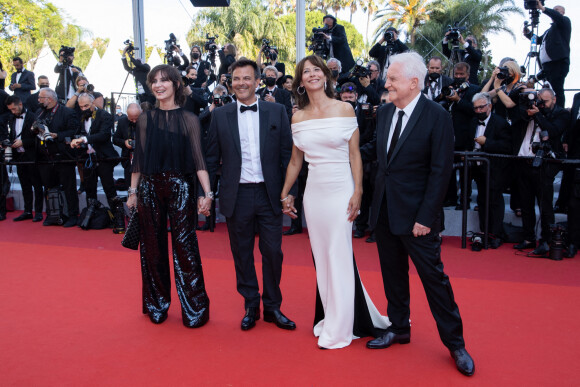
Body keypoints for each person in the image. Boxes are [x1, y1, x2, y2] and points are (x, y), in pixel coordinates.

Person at [361, 52, 474, 376]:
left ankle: (455, 343)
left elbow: (440, 172)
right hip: (384, 211)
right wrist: (335, 146)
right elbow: (373, 151)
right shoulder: (383, 113)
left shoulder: (437, 116)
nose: (386, 83)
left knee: (434, 281)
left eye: (392, 78)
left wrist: (425, 217)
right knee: (392, 275)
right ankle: (399, 327)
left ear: (413, 82)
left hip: (418, 219)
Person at [280, 55, 389, 349]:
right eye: (307, 72)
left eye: (317, 70)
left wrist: (358, 192)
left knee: (339, 254)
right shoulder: (297, 117)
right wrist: (285, 192)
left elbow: (355, 155)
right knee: (322, 257)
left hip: (341, 189)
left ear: (326, 76)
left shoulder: (345, 108)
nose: (313, 75)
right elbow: (294, 161)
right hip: (314, 194)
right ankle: (333, 316)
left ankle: (340, 329)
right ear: (300, 81)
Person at [205, 59, 296, 332]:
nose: (241, 83)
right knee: (242, 253)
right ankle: (250, 304)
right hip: (238, 194)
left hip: (270, 194)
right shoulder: (219, 116)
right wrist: (207, 193)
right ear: (230, 82)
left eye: (247, 78)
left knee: (273, 252)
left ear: (258, 81)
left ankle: (272, 306)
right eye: (236, 78)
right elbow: (211, 158)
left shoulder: (277, 111)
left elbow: (287, 156)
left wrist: (288, 193)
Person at [126, 64, 212, 328]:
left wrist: (207, 193)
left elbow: (199, 160)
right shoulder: (144, 119)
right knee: (152, 247)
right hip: (149, 188)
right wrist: (132, 192)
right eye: (154, 81)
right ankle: (157, 304)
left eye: (164, 80)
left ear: (176, 84)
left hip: (181, 187)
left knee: (185, 247)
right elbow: (138, 160)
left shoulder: (189, 119)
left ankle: (194, 308)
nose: (158, 85)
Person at [512, 88, 570, 256]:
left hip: (545, 164)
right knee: (526, 204)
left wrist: (538, 115)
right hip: (523, 161)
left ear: (554, 99)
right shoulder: (529, 111)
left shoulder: (561, 114)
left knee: (545, 206)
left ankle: (546, 240)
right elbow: (516, 119)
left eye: (545, 102)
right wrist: (528, 109)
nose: (542, 105)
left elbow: (553, 131)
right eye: (540, 101)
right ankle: (529, 237)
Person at [469, 92, 512, 247]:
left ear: (490, 106)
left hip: (495, 170)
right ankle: (483, 232)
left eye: (481, 107)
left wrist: (487, 142)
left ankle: (495, 234)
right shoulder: (473, 121)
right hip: (477, 168)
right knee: (481, 200)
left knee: (494, 201)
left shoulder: (500, 123)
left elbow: (507, 147)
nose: (479, 111)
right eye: (476, 108)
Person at [35, 88, 80, 227]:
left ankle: (72, 215)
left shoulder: (67, 112)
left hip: (63, 156)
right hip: (45, 157)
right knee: (49, 187)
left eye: (41, 97)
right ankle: (52, 214)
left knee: (69, 188)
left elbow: (74, 131)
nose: (39, 100)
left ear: (49, 98)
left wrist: (57, 135)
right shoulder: (39, 113)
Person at [70, 93, 119, 210]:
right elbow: (80, 132)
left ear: (93, 103)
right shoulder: (81, 117)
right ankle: (91, 216)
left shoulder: (104, 115)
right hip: (87, 159)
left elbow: (104, 135)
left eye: (86, 106)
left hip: (104, 158)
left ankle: (117, 217)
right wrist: (78, 142)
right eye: (81, 106)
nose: (83, 109)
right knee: (89, 189)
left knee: (109, 188)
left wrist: (84, 139)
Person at [4, 96, 44, 222]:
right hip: (19, 157)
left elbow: (39, 138)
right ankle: (27, 211)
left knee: (37, 185)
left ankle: (38, 212)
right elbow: (12, 134)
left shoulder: (33, 117)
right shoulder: (11, 118)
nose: (13, 112)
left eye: (14, 109)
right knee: (24, 185)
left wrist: (23, 142)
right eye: (10, 110)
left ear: (20, 104)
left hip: (32, 156)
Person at [524, 2, 571, 108]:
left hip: (558, 63)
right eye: (554, 9)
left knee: (557, 88)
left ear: (563, 12)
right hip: (547, 66)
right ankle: (548, 109)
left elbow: (557, 17)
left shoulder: (565, 22)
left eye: (557, 10)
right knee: (548, 89)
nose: (554, 11)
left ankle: (559, 111)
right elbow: (539, 40)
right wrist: (528, 33)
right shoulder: (549, 31)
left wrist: (543, 9)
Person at [564, 92, 580, 258]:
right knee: (575, 206)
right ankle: (572, 243)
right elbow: (573, 127)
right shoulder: (578, 98)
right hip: (576, 162)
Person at [113, 103, 141, 190]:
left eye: (136, 118)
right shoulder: (122, 122)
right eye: (131, 119)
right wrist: (124, 142)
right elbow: (115, 139)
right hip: (128, 159)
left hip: (143, 160)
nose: (134, 121)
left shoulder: (147, 120)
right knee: (130, 187)